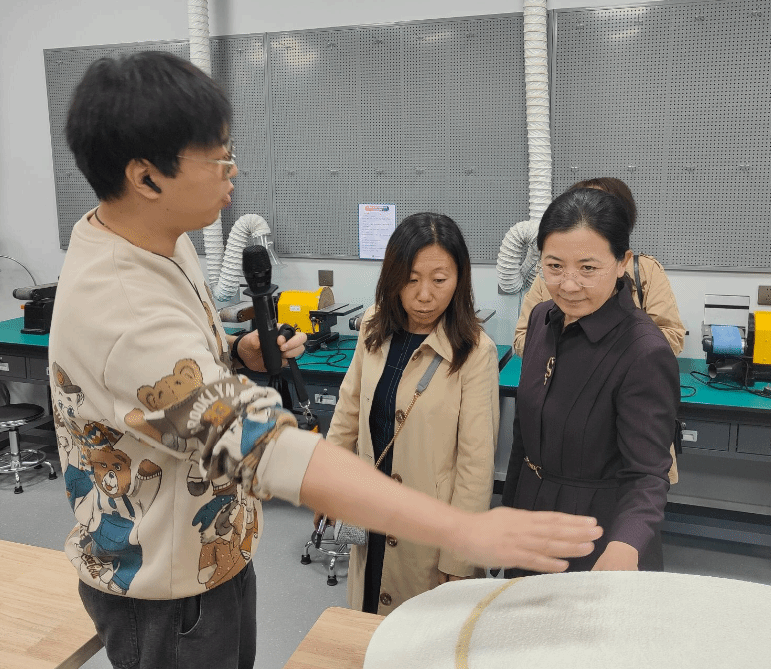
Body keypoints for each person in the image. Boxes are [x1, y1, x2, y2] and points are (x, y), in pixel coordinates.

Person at [51, 51, 602, 669]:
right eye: (220, 158)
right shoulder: (120, 307)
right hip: (166, 586)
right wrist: (466, 531)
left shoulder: (158, 241)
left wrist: (233, 355)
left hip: (209, 552)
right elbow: (261, 448)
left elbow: (165, 379)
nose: (234, 171)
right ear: (148, 178)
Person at [322, 212, 498, 616]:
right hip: (370, 510)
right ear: (392, 278)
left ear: (459, 280)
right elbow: (348, 410)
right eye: (411, 279)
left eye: (440, 280)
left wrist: (460, 556)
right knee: (369, 615)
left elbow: (476, 465)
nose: (424, 295)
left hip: (429, 530)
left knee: (419, 634)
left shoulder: (475, 352)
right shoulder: (374, 325)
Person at [502, 187, 679, 573]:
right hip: (532, 515)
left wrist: (625, 545)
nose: (568, 285)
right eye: (554, 266)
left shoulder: (643, 350)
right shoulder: (541, 319)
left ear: (622, 262)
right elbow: (523, 435)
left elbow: (647, 474)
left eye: (588, 268)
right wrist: (509, 516)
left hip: (598, 531)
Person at [513, 177, 685, 358]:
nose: (569, 286)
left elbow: (671, 336)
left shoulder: (645, 270)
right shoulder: (550, 276)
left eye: (588, 268)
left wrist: (605, 353)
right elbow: (523, 337)